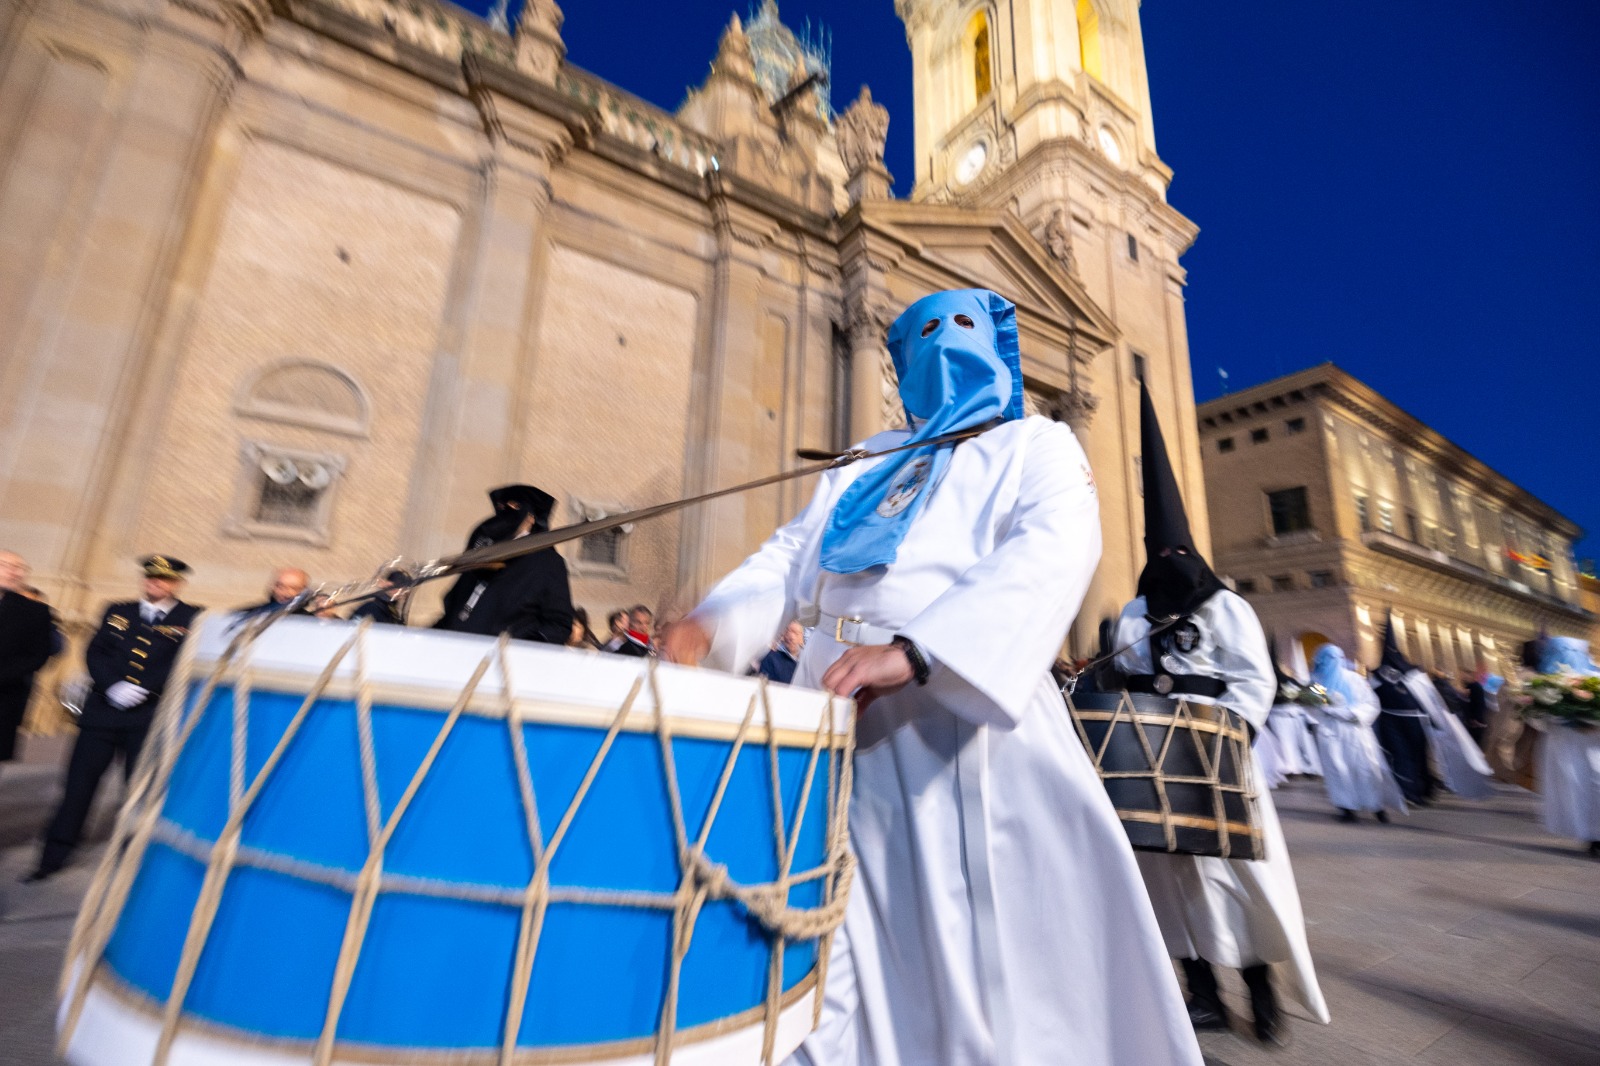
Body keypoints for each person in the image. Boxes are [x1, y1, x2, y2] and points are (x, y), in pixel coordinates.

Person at [661, 289, 1202, 1066]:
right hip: (832, 729)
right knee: (824, 946)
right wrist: (713, 623)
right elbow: (790, 558)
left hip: (963, 724)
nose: (944, 349)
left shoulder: (1036, 443)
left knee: (975, 970)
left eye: (963, 328)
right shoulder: (866, 460)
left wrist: (921, 650)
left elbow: (1056, 545)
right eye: (922, 337)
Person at [1111, 383, 1328, 1046]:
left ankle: (1261, 994)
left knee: (1238, 872)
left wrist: (1227, 732)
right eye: (1160, 556)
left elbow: (1254, 679)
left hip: (1218, 755)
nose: (1169, 565)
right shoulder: (1134, 614)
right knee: (1168, 875)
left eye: (1178, 555)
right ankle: (1201, 991)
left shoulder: (1226, 607)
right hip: (1156, 756)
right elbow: (1125, 675)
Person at [26, 556, 200, 882]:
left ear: (177, 583)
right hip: (102, 714)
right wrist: (112, 685)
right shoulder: (118, 610)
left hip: (148, 717)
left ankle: (131, 859)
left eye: (163, 579)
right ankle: (53, 857)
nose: (154, 583)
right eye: (150, 577)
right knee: (77, 788)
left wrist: (148, 688)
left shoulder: (191, 617)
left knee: (138, 792)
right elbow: (96, 651)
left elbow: (187, 661)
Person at [1371, 618, 1494, 803]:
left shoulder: (1403, 675)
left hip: (1408, 722)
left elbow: (1430, 700)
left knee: (1413, 757)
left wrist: (1438, 722)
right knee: (1405, 757)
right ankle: (1412, 792)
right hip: (1397, 723)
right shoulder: (1408, 675)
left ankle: (1420, 790)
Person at [435, 485, 574, 644]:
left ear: (531, 517)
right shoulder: (483, 553)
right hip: (456, 648)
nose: (506, 511)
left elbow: (558, 625)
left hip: (503, 655)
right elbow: (455, 610)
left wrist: (519, 647)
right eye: (502, 506)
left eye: (515, 506)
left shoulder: (547, 562)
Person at [1308, 643, 1404, 823]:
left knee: (1366, 768)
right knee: (1338, 769)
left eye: (1336, 658)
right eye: (1328, 658)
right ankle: (1347, 807)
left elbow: (1370, 702)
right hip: (1332, 731)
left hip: (1357, 730)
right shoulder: (1316, 683)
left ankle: (1377, 806)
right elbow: (1314, 708)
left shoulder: (1354, 679)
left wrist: (1354, 714)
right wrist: (1331, 710)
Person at [0, 551, 58, 767]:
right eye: (6, 565)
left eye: (19, 568)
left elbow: (38, 655)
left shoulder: (36, 611)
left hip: (5, 694)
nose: (13, 572)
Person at [230, 567, 311, 628]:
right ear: (272, 587)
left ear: (304, 591)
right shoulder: (246, 614)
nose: (286, 593)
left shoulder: (310, 622)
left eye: (294, 588)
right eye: (281, 587)